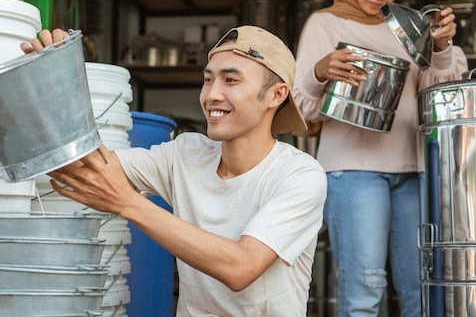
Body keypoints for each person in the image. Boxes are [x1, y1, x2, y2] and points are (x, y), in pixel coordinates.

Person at [21, 25, 327, 317]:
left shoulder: (299, 175)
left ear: (277, 95)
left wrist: (128, 203)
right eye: (208, 80)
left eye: (230, 81)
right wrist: (53, 89)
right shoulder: (186, 154)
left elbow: (241, 267)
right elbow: (82, 168)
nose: (212, 95)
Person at [292, 0, 468, 317]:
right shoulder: (325, 24)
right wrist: (319, 72)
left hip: (412, 172)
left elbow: (440, 98)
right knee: (365, 287)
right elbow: (300, 111)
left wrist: (441, 50)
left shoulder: (407, 27)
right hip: (353, 172)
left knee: (420, 290)